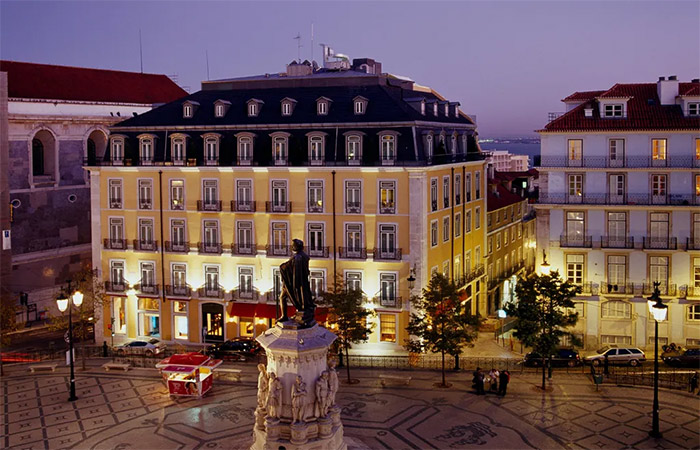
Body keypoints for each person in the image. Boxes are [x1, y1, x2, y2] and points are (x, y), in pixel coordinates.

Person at [278, 239, 316, 326]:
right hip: (303, 282)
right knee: (302, 298)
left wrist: (282, 267)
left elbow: (287, 267)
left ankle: (284, 315)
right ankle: (286, 315)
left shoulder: (297, 257)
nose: (292, 246)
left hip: (292, 282)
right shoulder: (304, 256)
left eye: (293, 245)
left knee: (282, 297)